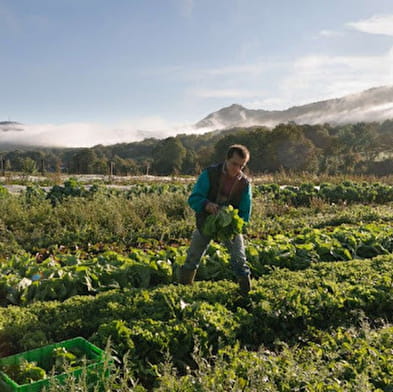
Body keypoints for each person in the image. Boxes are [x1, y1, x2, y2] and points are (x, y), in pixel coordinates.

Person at [179, 144, 252, 295]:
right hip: (207, 221)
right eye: (234, 164)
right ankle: (183, 290)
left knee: (239, 258)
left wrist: (238, 224)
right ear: (226, 159)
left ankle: (246, 293)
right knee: (193, 255)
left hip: (229, 226)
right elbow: (194, 198)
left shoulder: (244, 183)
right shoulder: (209, 174)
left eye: (241, 166)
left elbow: (245, 211)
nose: (237, 169)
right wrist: (206, 205)